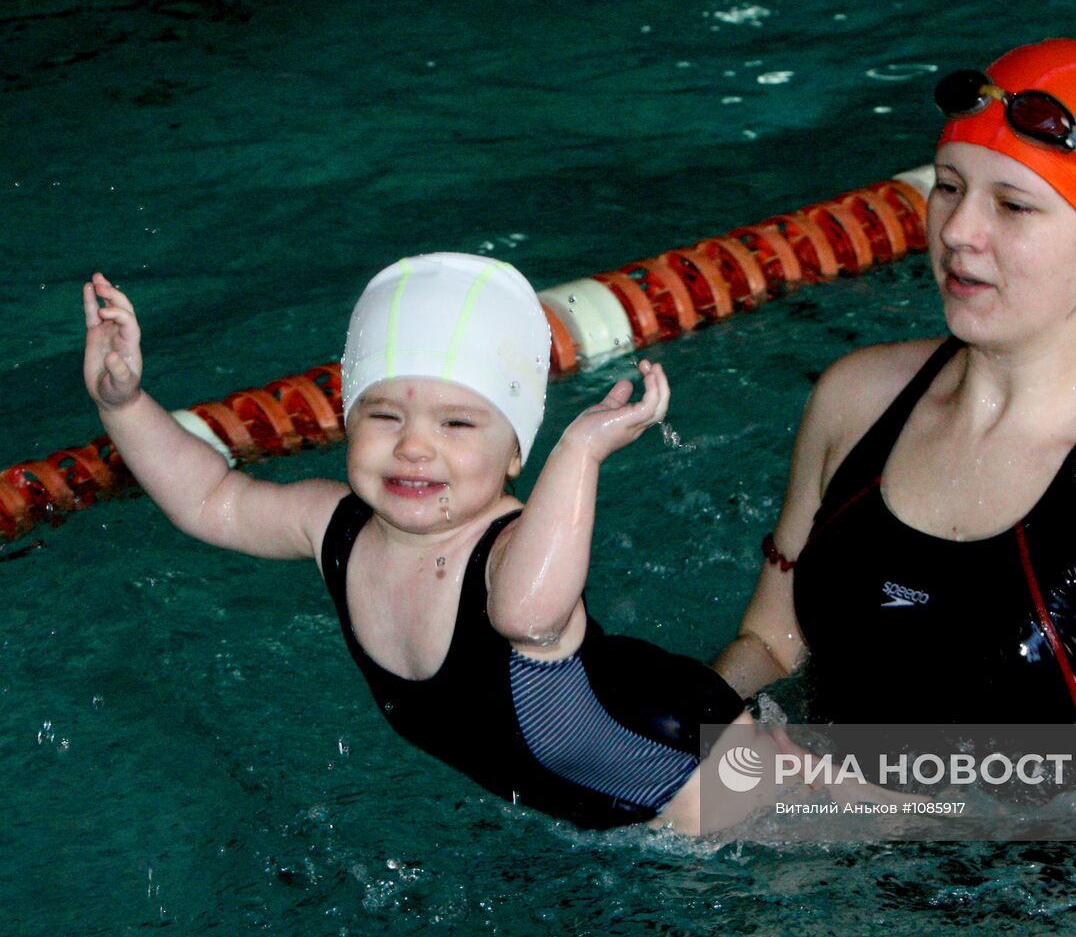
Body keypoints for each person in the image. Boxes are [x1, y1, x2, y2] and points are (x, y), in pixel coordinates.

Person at [712, 39, 1076, 807]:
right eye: (947, 186)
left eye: (1013, 204)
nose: (958, 230)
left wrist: (912, 820)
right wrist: (684, 732)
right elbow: (772, 642)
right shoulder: (855, 401)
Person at [82, 252, 771, 832]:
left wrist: (581, 452)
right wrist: (123, 403)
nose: (413, 445)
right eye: (385, 414)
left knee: (877, 829)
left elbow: (527, 614)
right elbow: (211, 499)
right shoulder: (336, 528)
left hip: (699, 769)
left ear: (515, 454)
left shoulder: (507, 552)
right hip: (615, 806)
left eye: (458, 425)